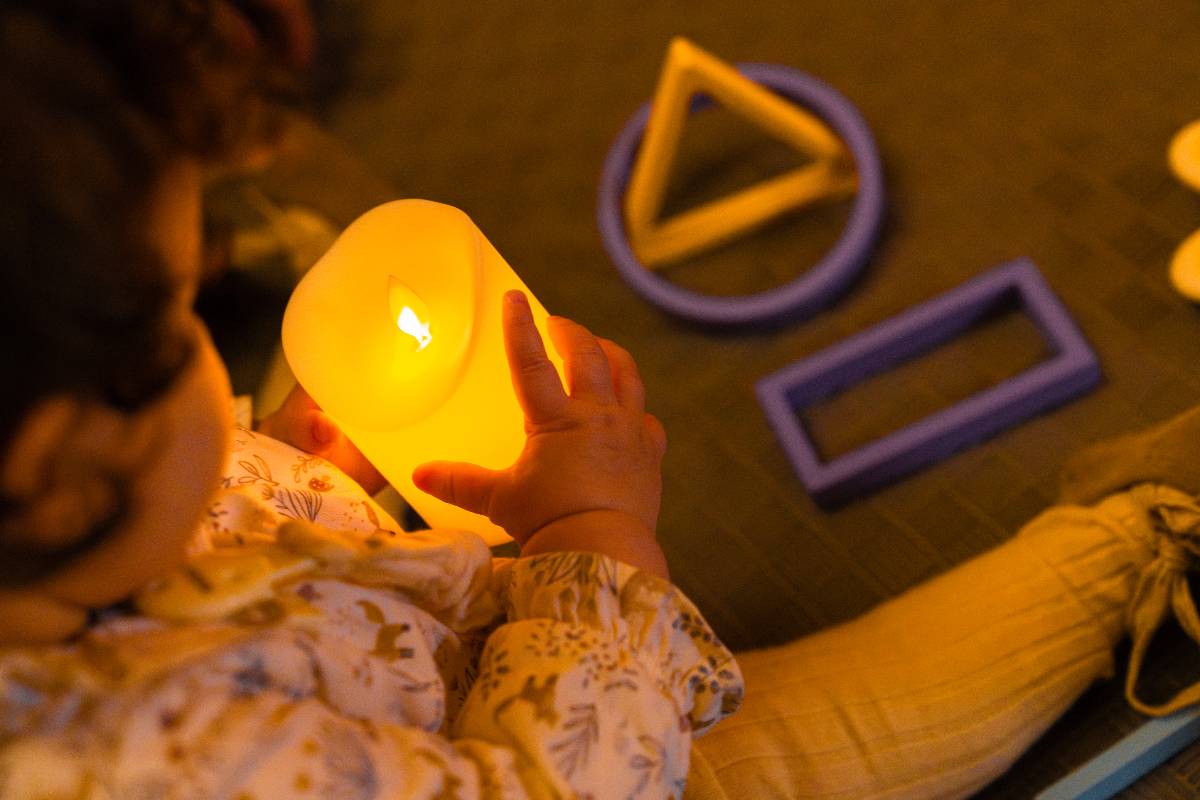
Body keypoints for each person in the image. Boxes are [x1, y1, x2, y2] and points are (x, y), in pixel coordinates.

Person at [0, 3, 1197, 799]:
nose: (223, 359)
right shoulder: (162, 767)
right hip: (596, 760)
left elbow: (196, 534)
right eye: (180, 330)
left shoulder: (53, 559)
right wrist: (594, 537)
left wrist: (283, 467)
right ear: (59, 473)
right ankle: (1145, 531)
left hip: (490, 668)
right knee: (866, 721)